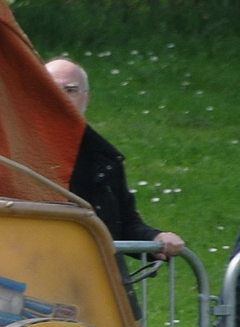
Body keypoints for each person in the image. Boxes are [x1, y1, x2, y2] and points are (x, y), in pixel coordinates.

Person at [45, 58, 185, 262]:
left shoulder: (104, 158)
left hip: (98, 281)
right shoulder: (14, 154)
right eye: (51, 89)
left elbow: (125, 224)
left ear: (86, 98)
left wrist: (156, 239)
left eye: (71, 90)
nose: (60, 97)